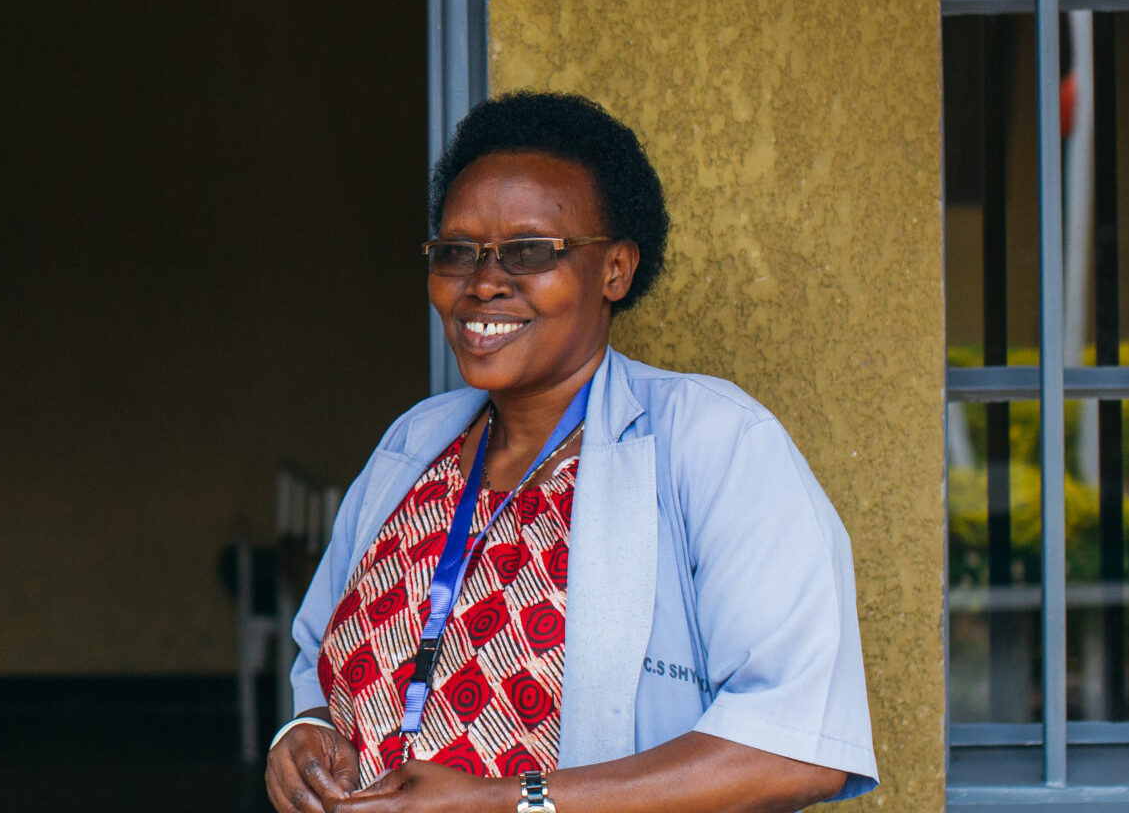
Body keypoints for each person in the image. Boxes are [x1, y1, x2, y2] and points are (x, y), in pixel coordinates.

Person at [264, 92, 876, 813]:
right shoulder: (415, 444)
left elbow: (793, 750)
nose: (484, 283)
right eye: (456, 252)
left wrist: (505, 802)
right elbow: (320, 659)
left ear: (615, 269)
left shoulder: (717, 446)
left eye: (530, 252)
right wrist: (302, 733)